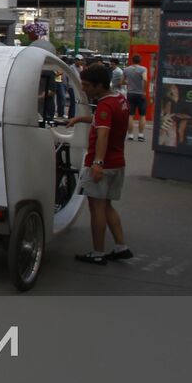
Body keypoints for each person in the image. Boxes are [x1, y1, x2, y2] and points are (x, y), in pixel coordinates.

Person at [67, 62, 133, 264]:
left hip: (102, 165)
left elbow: (103, 133)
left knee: (96, 208)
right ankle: (121, 246)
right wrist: (80, 119)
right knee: (106, 207)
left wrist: (97, 163)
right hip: (117, 162)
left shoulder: (105, 105)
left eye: (86, 85)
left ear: (99, 85)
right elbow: (103, 121)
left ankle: (97, 253)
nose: (84, 89)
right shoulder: (119, 99)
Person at [123, 55, 149, 141]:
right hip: (140, 94)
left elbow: (122, 81)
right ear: (140, 61)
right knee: (142, 115)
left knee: (130, 115)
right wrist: (144, 91)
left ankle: (130, 135)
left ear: (132, 60)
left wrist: (128, 83)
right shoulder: (143, 69)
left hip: (130, 94)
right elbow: (145, 79)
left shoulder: (126, 69)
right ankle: (141, 135)